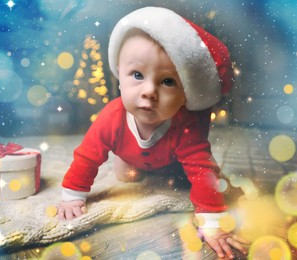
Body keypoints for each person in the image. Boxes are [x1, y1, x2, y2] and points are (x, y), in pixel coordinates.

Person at [58, 6, 249, 259]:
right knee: (127, 176)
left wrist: (213, 223)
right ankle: (127, 159)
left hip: (171, 156)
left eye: (167, 81)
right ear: (119, 76)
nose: (149, 91)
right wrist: (72, 195)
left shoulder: (186, 125)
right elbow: (87, 156)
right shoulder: (111, 118)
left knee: (189, 176)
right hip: (129, 155)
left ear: (185, 95)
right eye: (137, 75)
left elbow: (202, 170)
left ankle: (169, 165)